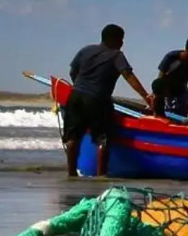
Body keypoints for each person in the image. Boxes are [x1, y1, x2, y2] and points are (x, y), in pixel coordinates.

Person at [63, 24, 154, 177]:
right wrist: (145, 96)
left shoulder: (85, 50)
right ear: (112, 39)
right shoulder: (116, 55)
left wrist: (79, 85)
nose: (122, 43)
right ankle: (101, 176)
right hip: (98, 99)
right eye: (121, 39)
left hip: (75, 95)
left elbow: (73, 71)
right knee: (102, 139)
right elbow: (128, 76)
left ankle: (71, 174)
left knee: (73, 137)